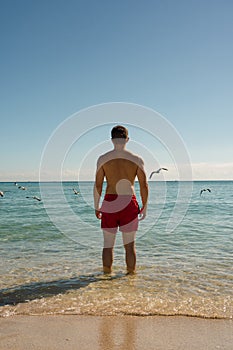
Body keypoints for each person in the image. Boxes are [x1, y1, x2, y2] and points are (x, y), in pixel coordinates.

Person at [94, 125, 148, 274]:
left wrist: (96, 206)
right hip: (129, 203)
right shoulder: (136, 159)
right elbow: (144, 185)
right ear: (127, 139)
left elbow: (98, 185)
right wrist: (145, 207)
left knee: (108, 245)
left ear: (112, 140)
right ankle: (131, 278)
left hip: (110, 202)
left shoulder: (103, 159)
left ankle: (106, 278)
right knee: (129, 246)